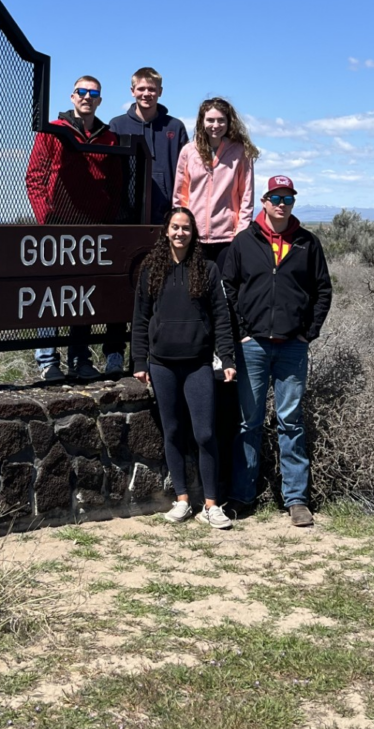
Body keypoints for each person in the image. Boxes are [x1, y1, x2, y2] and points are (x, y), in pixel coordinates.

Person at [222, 176, 333, 527]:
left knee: (291, 422)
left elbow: (323, 291)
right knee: (248, 422)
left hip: (292, 348)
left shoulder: (307, 243)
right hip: (253, 346)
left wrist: (307, 333)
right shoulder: (244, 241)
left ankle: (297, 500)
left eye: (288, 198)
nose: (282, 203)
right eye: (275, 197)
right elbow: (228, 287)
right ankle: (242, 495)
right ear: (264, 201)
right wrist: (241, 332)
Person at [132, 207, 236, 527]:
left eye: (186, 228)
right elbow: (140, 318)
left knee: (205, 433)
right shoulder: (151, 269)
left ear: (194, 233)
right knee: (173, 432)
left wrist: (228, 358)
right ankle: (181, 500)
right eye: (175, 227)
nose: (180, 233)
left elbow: (221, 317)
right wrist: (139, 359)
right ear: (166, 231)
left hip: (198, 365)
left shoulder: (206, 269)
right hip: (161, 364)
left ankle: (211, 505)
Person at [25, 75, 126, 382]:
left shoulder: (109, 137)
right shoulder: (53, 131)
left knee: (82, 294)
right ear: (72, 97)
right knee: (51, 293)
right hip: (56, 228)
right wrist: (48, 220)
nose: (86, 97)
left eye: (93, 93)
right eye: (81, 92)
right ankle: (47, 358)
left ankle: (80, 358)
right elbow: (34, 178)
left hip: (93, 230)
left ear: (99, 100)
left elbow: (117, 185)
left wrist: (106, 221)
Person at [172, 97, 259, 272]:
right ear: (202, 121)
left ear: (229, 122)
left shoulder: (240, 152)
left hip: (227, 237)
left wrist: (240, 234)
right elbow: (180, 196)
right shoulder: (189, 151)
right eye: (210, 120)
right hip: (194, 237)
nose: (215, 125)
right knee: (196, 289)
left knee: (224, 290)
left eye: (221, 120)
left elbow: (246, 196)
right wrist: (182, 229)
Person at [109, 67, 189, 225]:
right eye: (141, 89)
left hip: (167, 213)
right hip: (126, 213)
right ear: (132, 91)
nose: (146, 94)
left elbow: (187, 171)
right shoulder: (117, 125)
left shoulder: (175, 126)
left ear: (160, 92)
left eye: (152, 89)